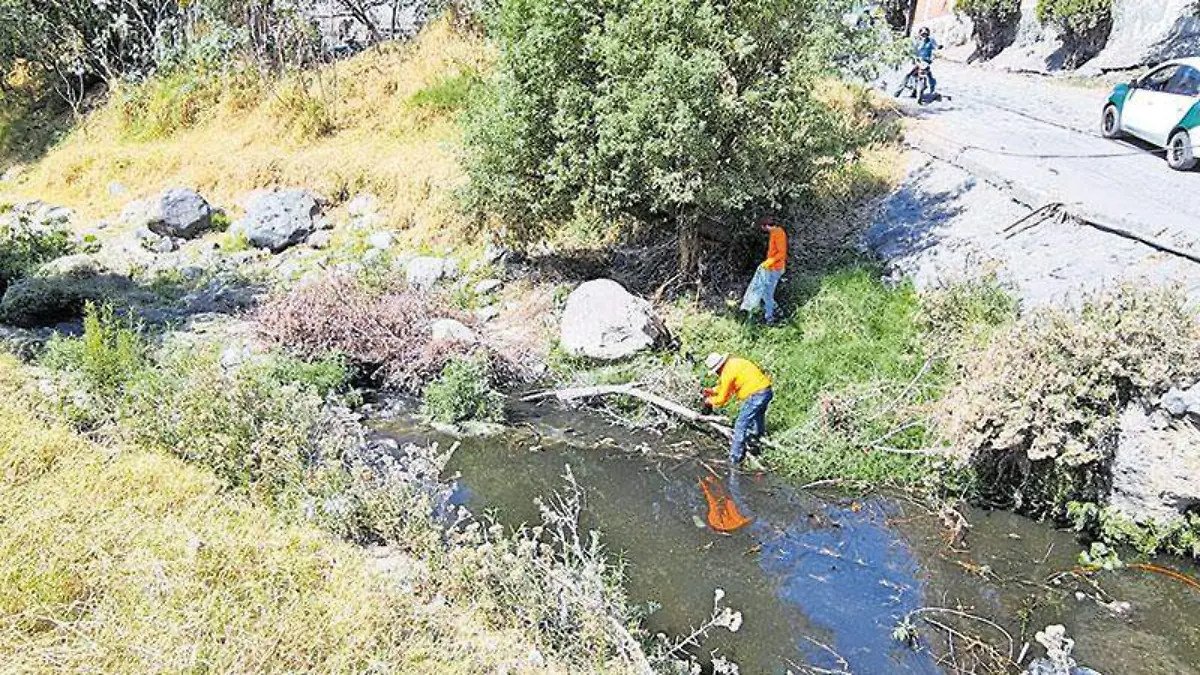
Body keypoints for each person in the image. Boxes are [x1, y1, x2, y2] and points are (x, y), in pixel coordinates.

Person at [703, 353, 774, 466]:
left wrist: (708, 401)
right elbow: (727, 386)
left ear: (718, 367)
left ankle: (735, 458)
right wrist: (712, 390)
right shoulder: (736, 363)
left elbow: (722, 400)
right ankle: (756, 440)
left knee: (740, 424)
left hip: (755, 395)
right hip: (766, 390)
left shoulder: (727, 373)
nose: (716, 373)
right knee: (758, 416)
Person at [739, 216, 787, 324]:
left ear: (765, 226)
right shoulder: (775, 232)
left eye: (762, 227)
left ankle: (770, 318)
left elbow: (781, 253)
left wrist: (767, 263)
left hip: (775, 268)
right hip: (772, 267)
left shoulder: (778, 233)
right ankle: (778, 312)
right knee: (766, 293)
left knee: (768, 294)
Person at [896, 27, 941, 98]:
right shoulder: (916, 41)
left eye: (925, 34)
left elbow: (935, 46)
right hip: (917, 61)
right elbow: (911, 49)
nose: (924, 36)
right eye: (922, 34)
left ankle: (933, 90)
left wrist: (938, 48)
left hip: (926, 61)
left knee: (930, 76)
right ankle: (898, 91)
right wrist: (910, 54)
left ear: (928, 34)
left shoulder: (931, 40)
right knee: (908, 74)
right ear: (919, 34)